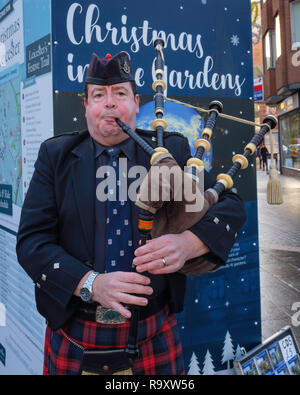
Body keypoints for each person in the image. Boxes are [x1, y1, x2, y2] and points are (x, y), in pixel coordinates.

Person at [16, 52, 247, 375]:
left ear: (137, 103)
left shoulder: (170, 153)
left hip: (152, 332)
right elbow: (31, 243)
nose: (110, 104)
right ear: (86, 106)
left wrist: (187, 244)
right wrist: (91, 284)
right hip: (74, 332)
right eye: (99, 95)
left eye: (120, 93)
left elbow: (230, 205)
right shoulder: (57, 157)